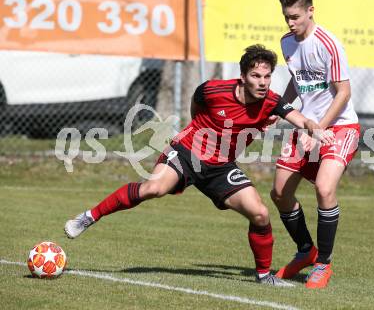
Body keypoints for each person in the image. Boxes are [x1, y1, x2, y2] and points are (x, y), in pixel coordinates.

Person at [64, 44, 333, 287]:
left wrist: (314, 129)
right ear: (243, 76)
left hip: (221, 167)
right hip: (187, 153)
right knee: (153, 189)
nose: (262, 82)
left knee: (260, 214)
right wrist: (193, 132)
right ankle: (89, 216)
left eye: (267, 76)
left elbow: (299, 118)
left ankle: (264, 277)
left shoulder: (271, 101)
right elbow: (197, 103)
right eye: (256, 76)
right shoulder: (214, 89)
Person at [270, 0, 360, 289]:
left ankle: (323, 264)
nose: (290, 23)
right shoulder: (286, 42)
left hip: (340, 126)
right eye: (286, 17)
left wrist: (319, 130)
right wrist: (280, 109)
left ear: (311, 10)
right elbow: (298, 82)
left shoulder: (328, 44)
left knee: (324, 188)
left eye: (295, 16)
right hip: (307, 126)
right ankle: (306, 252)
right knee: (280, 193)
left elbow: (344, 92)